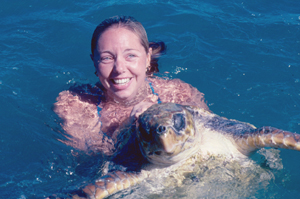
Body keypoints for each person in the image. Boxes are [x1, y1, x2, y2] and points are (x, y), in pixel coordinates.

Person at [54, 15, 209, 156]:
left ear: (147, 58)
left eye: (131, 55)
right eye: (107, 58)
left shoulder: (179, 92)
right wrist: (129, 126)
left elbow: (207, 136)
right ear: (94, 61)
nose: (119, 68)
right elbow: (90, 158)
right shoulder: (74, 105)